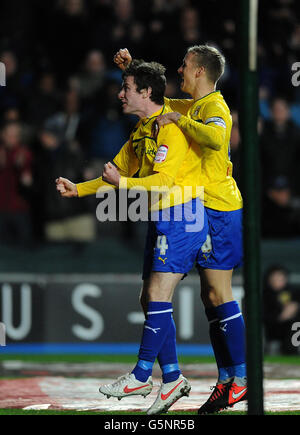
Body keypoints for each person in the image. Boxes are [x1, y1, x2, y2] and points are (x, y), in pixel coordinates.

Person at [56, 59, 209, 415]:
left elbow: (163, 182)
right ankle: (171, 378)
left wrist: (122, 185)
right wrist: (78, 189)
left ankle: (142, 374)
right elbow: (115, 172)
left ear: (145, 92)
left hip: (183, 216)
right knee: (149, 298)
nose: (119, 93)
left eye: (126, 88)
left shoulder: (169, 128)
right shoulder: (141, 131)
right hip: (161, 219)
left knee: (157, 294)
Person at [114, 46, 246, 414]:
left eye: (185, 65)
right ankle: (225, 380)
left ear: (201, 71)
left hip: (220, 206)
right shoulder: (192, 106)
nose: (180, 69)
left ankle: (241, 379)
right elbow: (153, 98)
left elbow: (217, 140)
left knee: (219, 294)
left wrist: (181, 122)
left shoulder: (214, 108)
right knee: (209, 297)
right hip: (201, 207)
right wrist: (133, 68)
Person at [263, 265, 300, 355]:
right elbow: (264, 317)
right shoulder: (265, 296)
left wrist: (294, 308)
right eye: (274, 278)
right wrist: (281, 316)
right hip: (275, 330)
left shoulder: (294, 292)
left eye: (280, 278)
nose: (278, 281)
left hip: (294, 328)